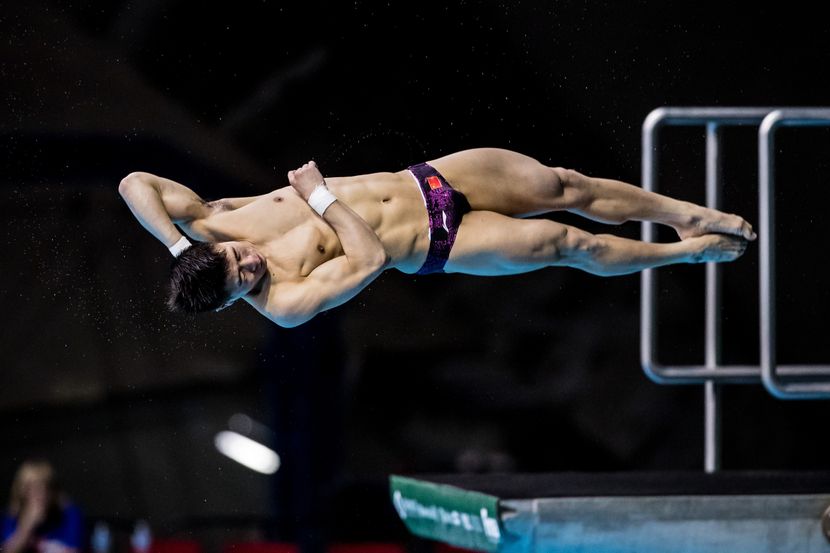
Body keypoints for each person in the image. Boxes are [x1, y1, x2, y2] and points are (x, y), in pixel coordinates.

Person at [119, 148, 755, 328]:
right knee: (571, 246)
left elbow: (133, 182)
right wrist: (319, 197)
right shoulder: (285, 303)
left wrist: (178, 247)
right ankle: (684, 253)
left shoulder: (212, 224)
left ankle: (685, 215)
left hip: (427, 179)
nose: (250, 263)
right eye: (242, 280)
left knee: (564, 184)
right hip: (442, 243)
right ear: (232, 303)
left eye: (236, 258)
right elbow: (369, 257)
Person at [1, 459, 84, 553]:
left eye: (46, 486)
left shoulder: (69, 515)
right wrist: (27, 526)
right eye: (31, 487)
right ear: (21, 490)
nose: (41, 494)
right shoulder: (11, 518)